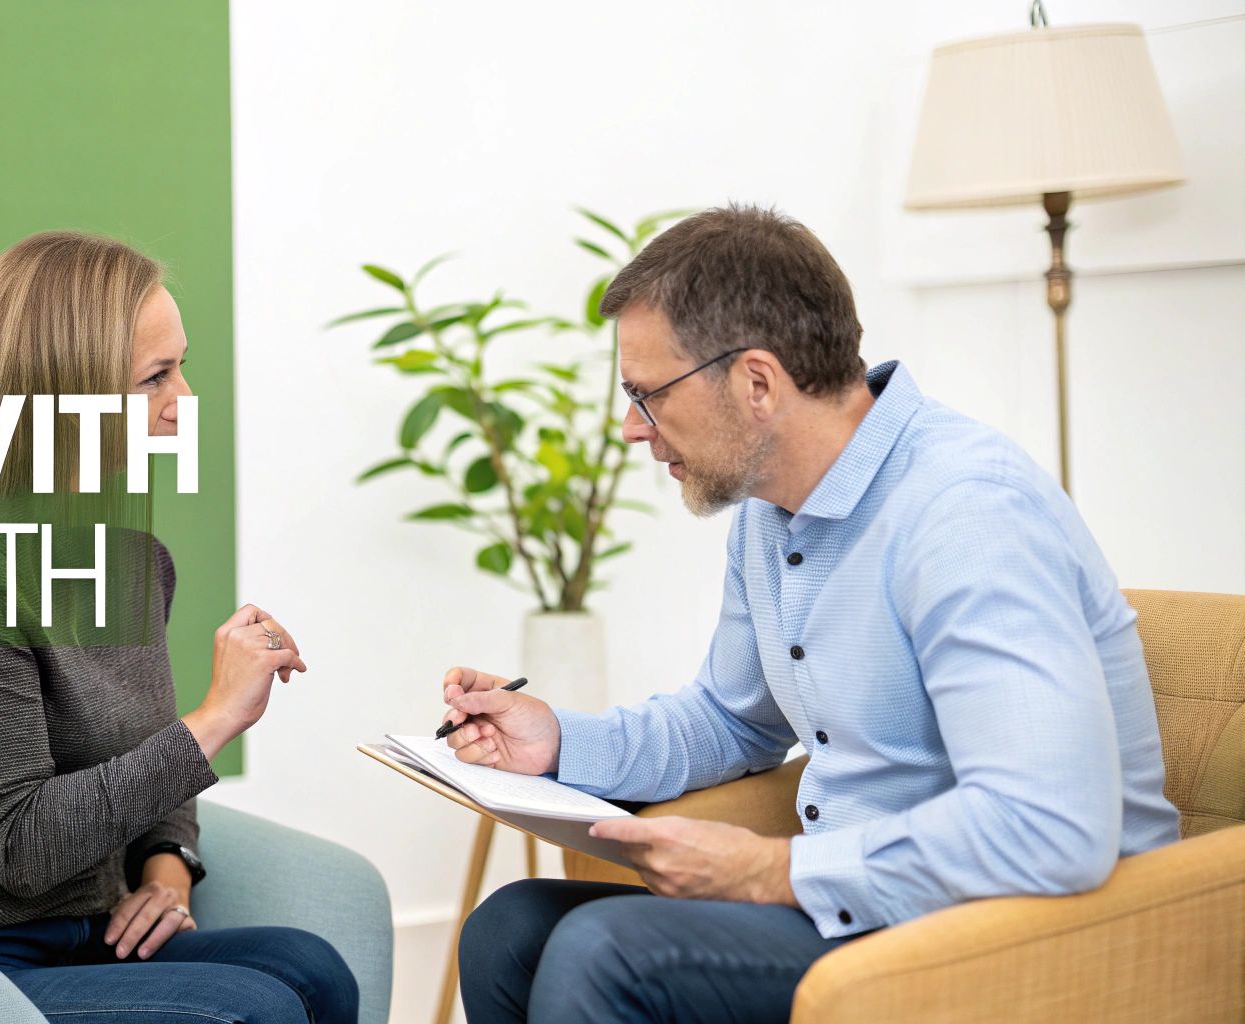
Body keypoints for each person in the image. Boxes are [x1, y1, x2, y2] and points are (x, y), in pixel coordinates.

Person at [440, 205, 1180, 1023]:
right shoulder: (772, 511)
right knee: (507, 930)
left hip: (1021, 933)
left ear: (757, 382)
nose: (630, 430)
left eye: (646, 396)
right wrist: (560, 741)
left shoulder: (966, 514)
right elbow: (731, 723)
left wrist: (772, 871)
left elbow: (1047, 829)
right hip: (866, 906)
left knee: (604, 952)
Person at [0, 231, 358, 1024]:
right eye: (155, 377)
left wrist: (170, 864)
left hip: (76, 931)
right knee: (254, 1009)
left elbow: (142, 750)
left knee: (313, 972)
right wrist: (217, 718)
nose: (186, 399)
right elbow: (23, 849)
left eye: (181, 366)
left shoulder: (134, 562)